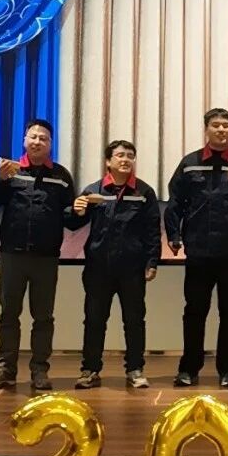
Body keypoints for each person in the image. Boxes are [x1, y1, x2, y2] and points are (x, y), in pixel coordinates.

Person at [164, 108, 228, 388]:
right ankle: (189, 369)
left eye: (226, 126)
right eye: (216, 125)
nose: (221, 130)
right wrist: (173, 235)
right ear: (206, 129)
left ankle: (227, 370)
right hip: (198, 250)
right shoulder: (190, 163)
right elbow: (175, 202)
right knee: (194, 311)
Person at [0, 119, 76, 391]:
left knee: (43, 317)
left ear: (50, 144)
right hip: (13, 254)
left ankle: (40, 371)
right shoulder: (11, 170)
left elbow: (70, 218)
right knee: (9, 313)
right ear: (24, 141)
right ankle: (6, 368)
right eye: (33, 137)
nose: (37, 142)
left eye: (43, 138)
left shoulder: (61, 175)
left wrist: (82, 211)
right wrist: (0, 181)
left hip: (46, 257)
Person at [65, 140, 161, 389]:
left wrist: (152, 261)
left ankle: (135, 369)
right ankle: (90, 370)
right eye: (120, 155)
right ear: (108, 161)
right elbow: (73, 224)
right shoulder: (93, 191)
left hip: (132, 268)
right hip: (98, 268)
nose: (125, 159)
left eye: (130, 155)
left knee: (134, 320)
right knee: (94, 320)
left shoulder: (144, 192)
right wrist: (75, 211)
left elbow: (152, 230)